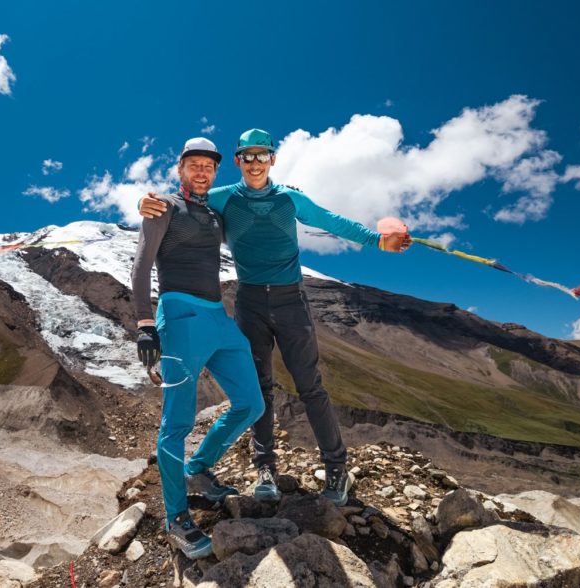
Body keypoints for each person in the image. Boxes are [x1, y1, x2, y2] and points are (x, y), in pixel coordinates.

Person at [139, 128, 411, 507]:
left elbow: (332, 221)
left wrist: (379, 241)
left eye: (261, 155)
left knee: (310, 386)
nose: (254, 163)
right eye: (247, 156)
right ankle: (264, 467)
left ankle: (336, 469)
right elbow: (183, 203)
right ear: (237, 162)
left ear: (273, 159)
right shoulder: (222, 198)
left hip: (290, 302)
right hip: (249, 301)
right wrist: (148, 202)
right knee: (259, 389)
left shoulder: (290, 199)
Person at [132, 137, 265, 559]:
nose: (203, 171)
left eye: (209, 165)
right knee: (176, 423)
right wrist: (145, 325)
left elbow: (251, 204)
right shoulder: (163, 207)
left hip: (217, 318)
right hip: (180, 315)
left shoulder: (213, 213)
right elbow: (140, 266)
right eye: (194, 164)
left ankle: (198, 469)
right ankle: (177, 518)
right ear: (180, 169)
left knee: (251, 403)